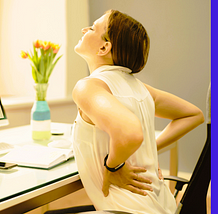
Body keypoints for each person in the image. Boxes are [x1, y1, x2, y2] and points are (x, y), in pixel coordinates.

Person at [72, 9, 204, 213]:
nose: (83, 29)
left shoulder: (88, 87)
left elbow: (129, 132)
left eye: (91, 28)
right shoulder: (141, 88)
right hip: (163, 207)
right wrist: (149, 150)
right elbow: (193, 114)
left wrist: (113, 167)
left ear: (104, 47)